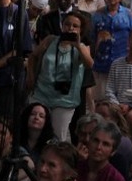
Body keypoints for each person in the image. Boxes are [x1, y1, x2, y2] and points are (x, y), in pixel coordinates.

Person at [28, 11, 92, 142]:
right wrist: (31, 77)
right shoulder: (50, 40)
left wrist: (77, 45)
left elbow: (89, 64)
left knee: (58, 136)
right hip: (41, 94)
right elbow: (33, 57)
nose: (71, 28)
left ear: (80, 30)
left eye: (75, 26)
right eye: (67, 24)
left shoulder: (82, 47)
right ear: (62, 25)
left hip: (65, 100)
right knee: (33, 131)